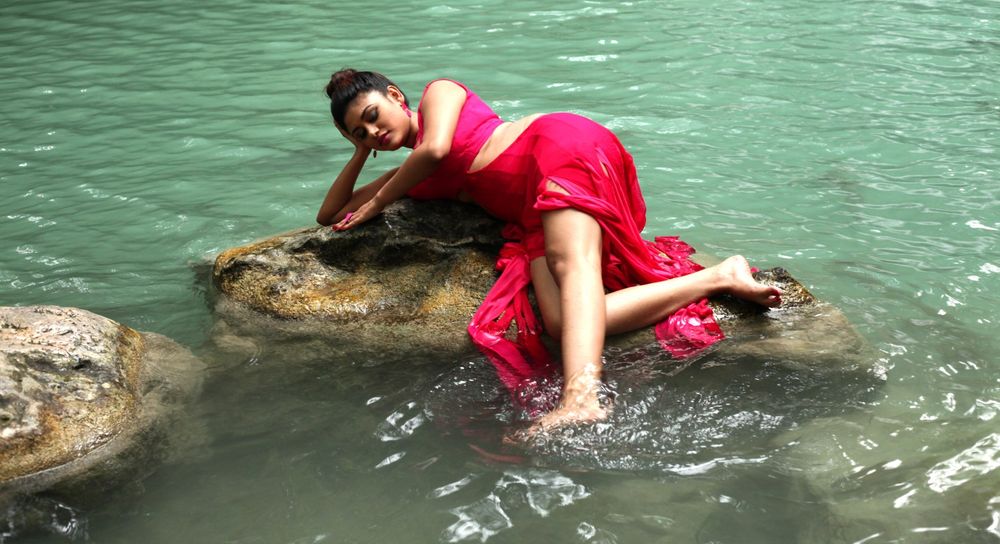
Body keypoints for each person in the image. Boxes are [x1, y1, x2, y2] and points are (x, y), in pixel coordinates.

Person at [317, 69, 781, 431]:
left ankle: (582, 397)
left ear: (396, 96)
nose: (372, 132)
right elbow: (331, 213)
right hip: (531, 213)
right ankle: (718, 276)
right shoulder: (406, 176)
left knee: (570, 264)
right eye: (360, 132)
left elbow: (436, 149)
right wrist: (357, 153)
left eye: (373, 116)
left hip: (556, 150)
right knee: (559, 323)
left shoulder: (440, 93)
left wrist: (378, 202)